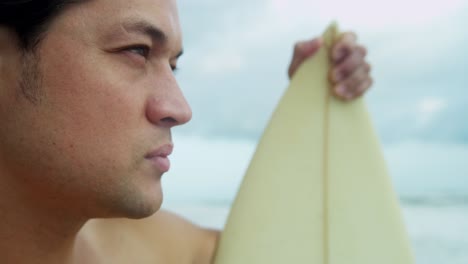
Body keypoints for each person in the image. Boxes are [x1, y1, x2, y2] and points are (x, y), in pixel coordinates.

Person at [0, 0, 372, 263]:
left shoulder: (168, 254)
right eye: (137, 51)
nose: (179, 109)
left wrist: (310, 110)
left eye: (173, 66)